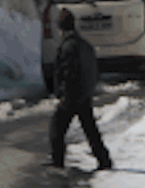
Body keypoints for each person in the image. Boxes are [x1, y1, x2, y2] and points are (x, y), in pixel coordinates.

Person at [48, 10, 114, 173]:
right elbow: (93, 70)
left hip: (72, 95)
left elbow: (67, 73)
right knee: (90, 129)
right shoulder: (85, 44)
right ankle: (104, 160)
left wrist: (63, 93)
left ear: (61, 28)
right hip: (84, 94)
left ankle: (58, 163)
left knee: (56, 128)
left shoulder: (68, 46)